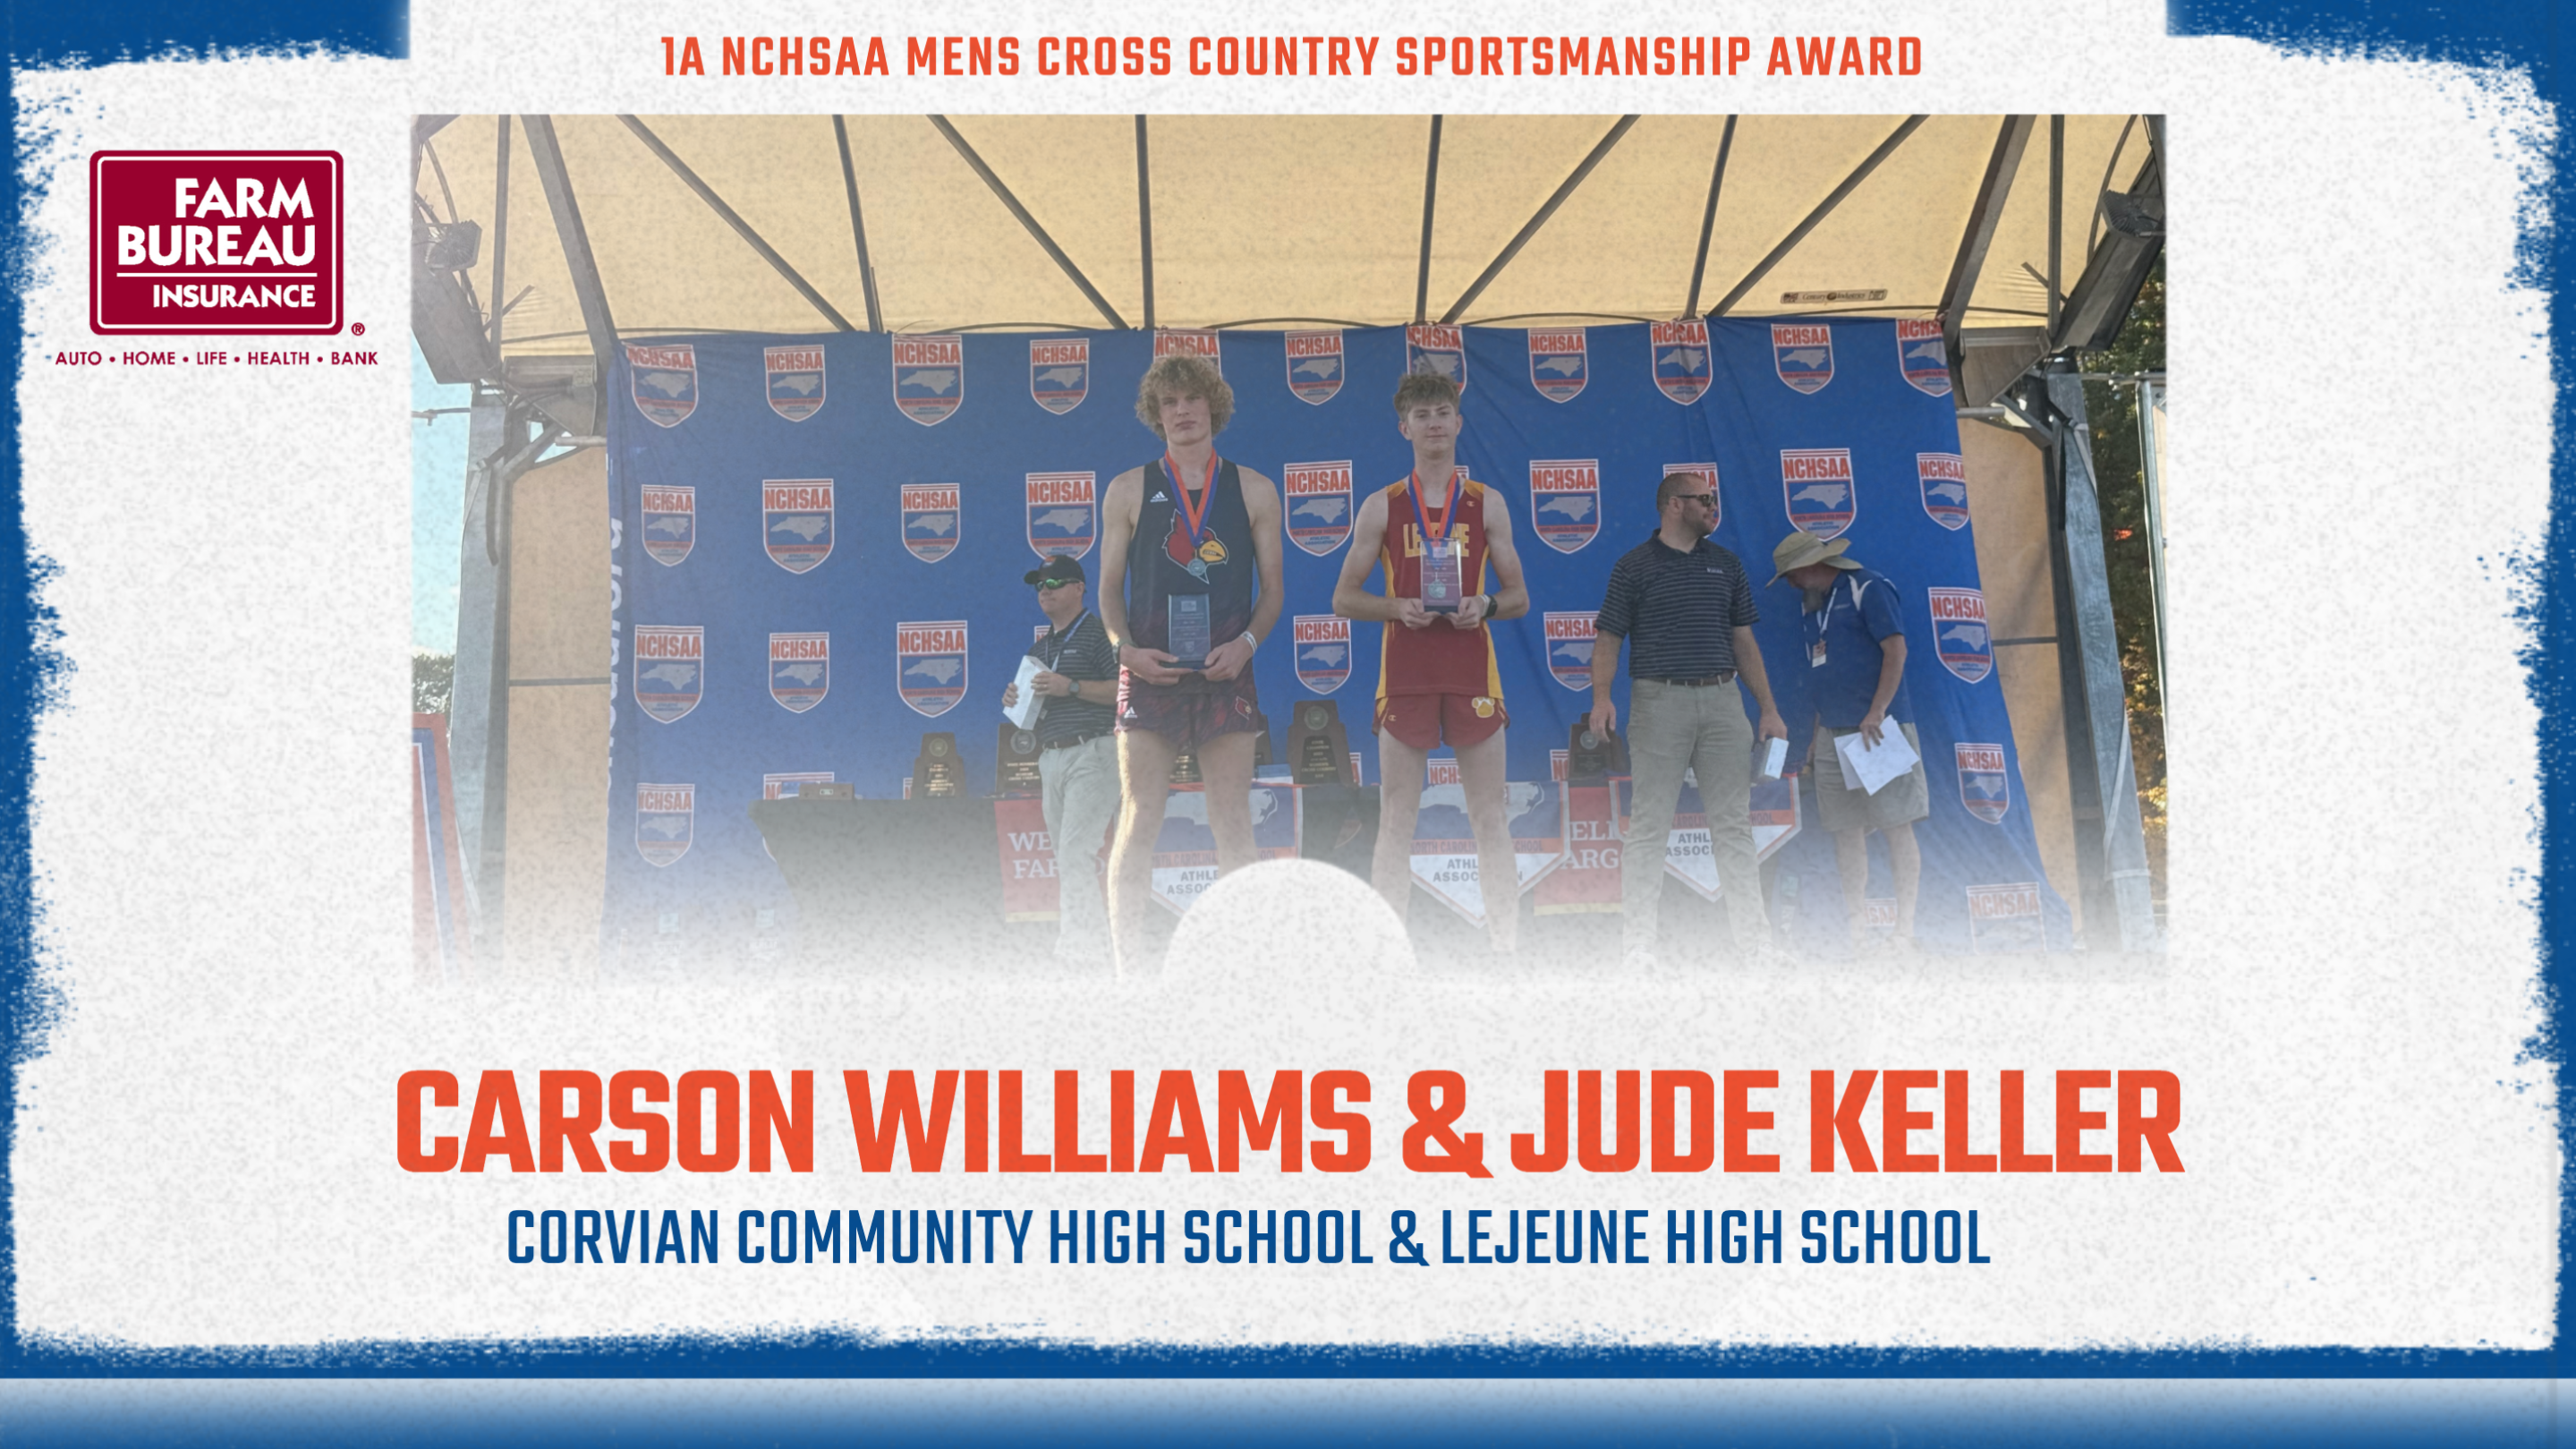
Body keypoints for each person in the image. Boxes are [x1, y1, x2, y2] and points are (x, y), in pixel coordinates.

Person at [1095, 354, 1285, 974]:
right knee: (1138, 817)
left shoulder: (1255, 488)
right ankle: (1128, 972)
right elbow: (1107, 590)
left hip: (1226, 670)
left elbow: (1274, 591)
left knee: (1232, 821)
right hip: (1148, 670)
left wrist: (1246, 645)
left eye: (1192, 399)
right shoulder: (1127, 488)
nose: (1181, 411)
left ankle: (1242, 967)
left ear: (1213, 406)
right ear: (1156, 414)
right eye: (1169, 402)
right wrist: (1124, 650)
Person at [1331, 368, 1530, 953]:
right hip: (1407, 675)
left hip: (1471, 672)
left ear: (1458, 422)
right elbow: (1343, 598)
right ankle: (1388, 952)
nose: (1434, 423)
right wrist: (1395, 606)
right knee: (1397, 817)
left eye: (1443, 412)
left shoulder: (1487, 503)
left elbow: (1519, 598)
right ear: (1405, 428)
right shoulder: (1381, 505)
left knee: (1489, 816)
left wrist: (1484, 604)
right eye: (1422, 415)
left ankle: (1506, 949)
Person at [1586, 473, 1788, 968]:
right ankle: (1638, 947)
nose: (1713, 507)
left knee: (1734, 826)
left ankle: (1756, 945)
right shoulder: (1633, 565)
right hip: (1659, 701)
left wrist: (1768, 707)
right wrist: (1601, 698)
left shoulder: (1727, 564)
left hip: (1723, 700)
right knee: (1649, 826)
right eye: (1705, 499)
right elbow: (1608, 639)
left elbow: (1743, 641)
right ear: (1675, 505)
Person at [1769, 531, 1931, 954]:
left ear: (1810, 565)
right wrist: (1816, 736)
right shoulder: (1812, 606)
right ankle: (1856, 932)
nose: (1790, 584)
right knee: (1845, 830)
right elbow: (1824, 675)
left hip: (1876, 729)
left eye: (1791, 575)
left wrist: (1877, 710)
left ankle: (1904, 932)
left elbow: (1896, 651)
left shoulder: (1869, 587)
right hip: (1831, 732)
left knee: (1896, 825)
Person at [999, 553, 1122, 970]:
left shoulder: (1099, 634)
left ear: (1079, 588)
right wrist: (1016, 701)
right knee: (1068, 856)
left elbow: (1125, 691)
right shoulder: (1039, 649)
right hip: (1050, 755)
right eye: (1039, 585)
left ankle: (1078, 950)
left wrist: (1069, 686)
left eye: (1053, 584)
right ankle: (1088, 946)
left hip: (1094, 750)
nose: (1044, 591)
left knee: (1074, 853)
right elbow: (1033, 715)